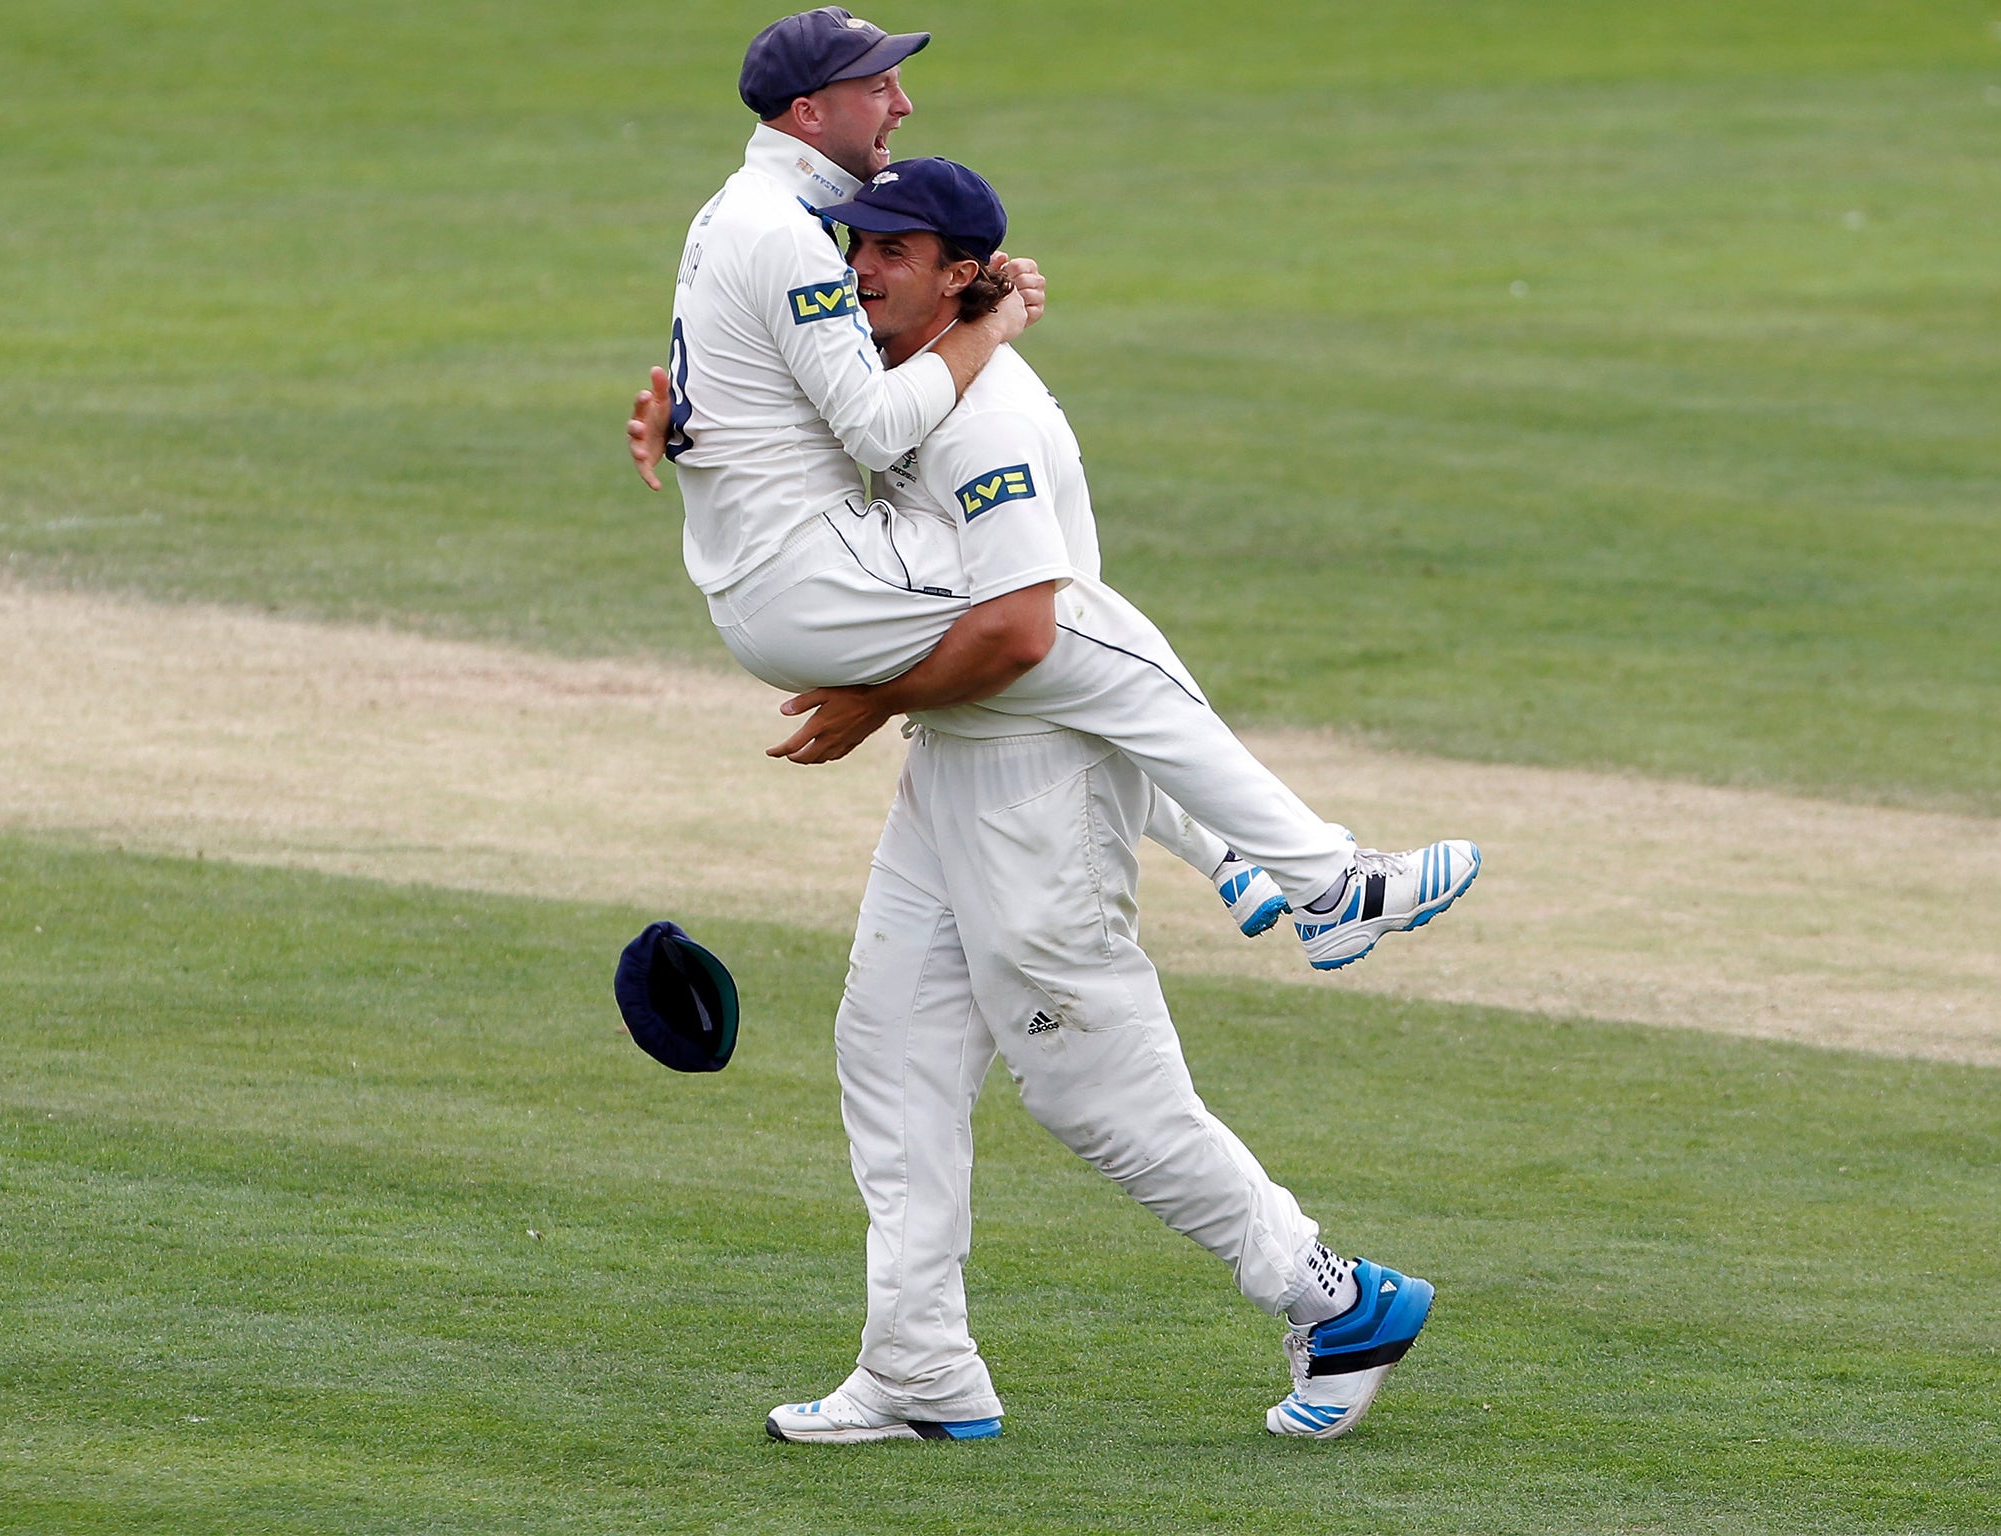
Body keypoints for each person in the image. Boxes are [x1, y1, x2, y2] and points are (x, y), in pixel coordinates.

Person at [757, 158, 1438, 1444]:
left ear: (958, 271)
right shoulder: (902, 383)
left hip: (1034, 787)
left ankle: (1329, 1296)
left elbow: (1021, 634)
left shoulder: (990, 420)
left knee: (1089, 1091)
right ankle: (916, 1368)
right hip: (952, 772)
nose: (857, 269)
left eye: (890, 250)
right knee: (887, 1045)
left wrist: (866, 699)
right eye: (852, 243)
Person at [629, 8, 1481, 969]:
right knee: (1074, 621)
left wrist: (676, 421)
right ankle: (1330, 882)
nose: (901, 103)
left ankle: (1233, 857)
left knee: (1064, 642)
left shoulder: (733, 211)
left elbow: (745, 382)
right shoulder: (784, 232)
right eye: (878, 87)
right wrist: (986, 328)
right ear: (808, 110)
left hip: (772, 575)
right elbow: (870, 422)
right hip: (813, 572)